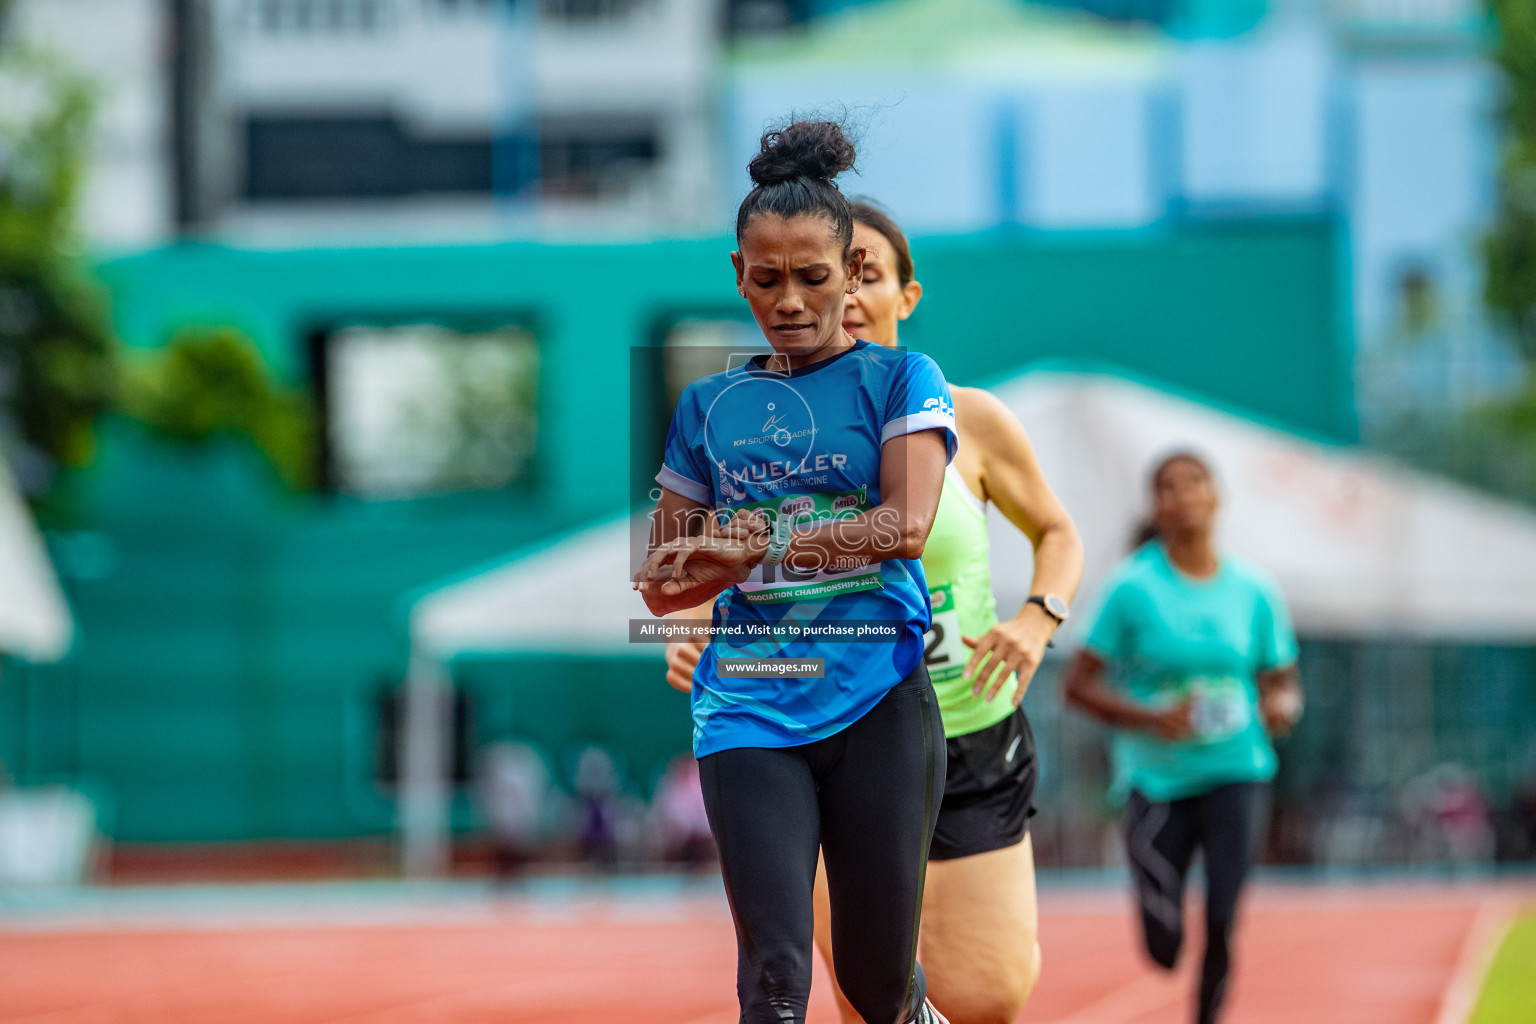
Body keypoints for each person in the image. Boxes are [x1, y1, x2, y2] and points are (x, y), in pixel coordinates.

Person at [668, 199, 1084, 1024]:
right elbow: (696, 560)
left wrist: (1039, 617)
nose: (832, 294)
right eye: (783, 275)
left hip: (953, 730)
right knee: (813, 988)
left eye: (856, 274)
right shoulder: (744, 418)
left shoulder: (966, 413)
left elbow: (1050, 531)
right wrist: (688, 629)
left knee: (986, 992)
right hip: (789, 710)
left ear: (901, 291)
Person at [635, 119, 956, 1024]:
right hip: (749, 704)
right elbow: (660, 581)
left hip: (879, 698)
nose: (788, 300)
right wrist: (708, 558)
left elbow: (906, 524)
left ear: (854, 272)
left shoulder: (900, 380)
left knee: (873, 980)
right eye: (766, 279)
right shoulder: (707, 407)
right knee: (776, 980)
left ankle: (908, 1003)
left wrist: (761, 542)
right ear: (738, 274)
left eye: (812, 277)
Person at [1062, 452, 1304, 1024]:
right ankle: (1157, 923)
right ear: (1156, 505)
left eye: (1195, 483)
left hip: (1237, 767)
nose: (1183, 495)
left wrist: (1281, 704)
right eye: (1168, 488)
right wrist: (1149, 716)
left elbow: (1280, 676)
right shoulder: (1131, 587)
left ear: (1216, 497)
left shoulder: (1254, 588)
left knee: (1223, 911)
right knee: (1163, 940)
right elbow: (1076, 685)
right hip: (1156, 775)